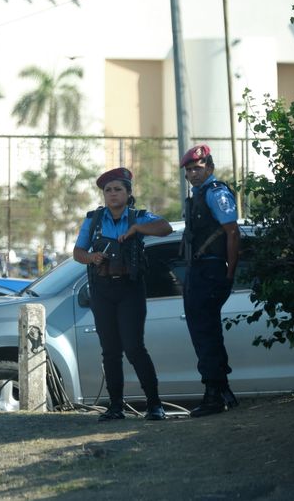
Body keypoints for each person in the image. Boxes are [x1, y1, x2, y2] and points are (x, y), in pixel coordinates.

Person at [73, 168, 173, 421]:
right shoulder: (94, 219)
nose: (113, 194)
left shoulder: (139, 216)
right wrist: (92, 257)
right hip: (102, 290)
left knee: (134, 348)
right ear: (103, 195)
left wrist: (138, 228)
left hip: (130, 289)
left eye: (118, 189)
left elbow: (166, 228)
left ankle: (154, 405)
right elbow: (78, 253)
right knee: (110, 350)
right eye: (108, 190)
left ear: (129, 193)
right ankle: (115, 406)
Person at [180, 144, 241, 417]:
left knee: (205, 335)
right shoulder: (199, 195)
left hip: (210, 271)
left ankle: (213, 396)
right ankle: (223, 390)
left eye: (198, 168)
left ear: (210, 167)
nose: (193, 173)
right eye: (189, 169)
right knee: (206, 334)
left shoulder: (216, 193)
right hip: (198, 271)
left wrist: (229, 273)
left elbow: (232, 233)